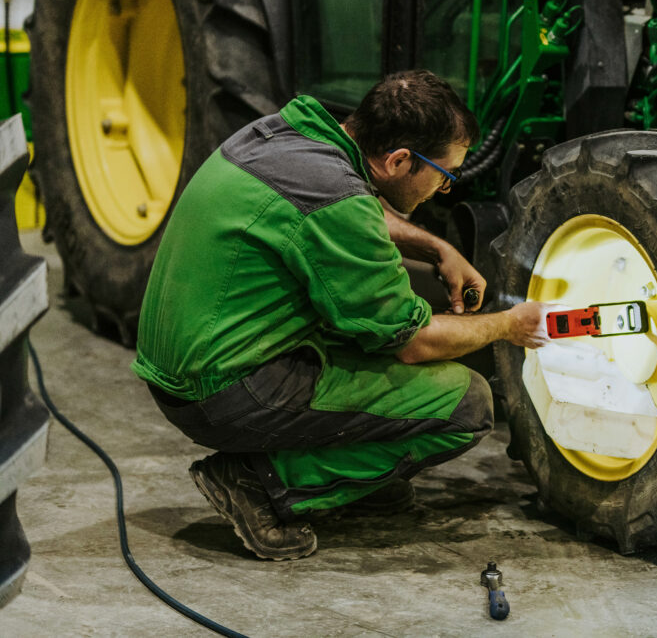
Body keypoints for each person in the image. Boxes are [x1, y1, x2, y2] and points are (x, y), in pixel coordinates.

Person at [132, 70, 549, 560]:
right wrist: (509, 324)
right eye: (445, 176)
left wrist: (435, 245)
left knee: (361, 335)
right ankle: (258, 484)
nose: (444, 190)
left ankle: (362, 476)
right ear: (397, 160)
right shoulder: (338, 201)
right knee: (466, 405)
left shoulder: (296, 132)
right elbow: (413, 341)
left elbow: (346, 202)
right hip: (220, 391)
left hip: (188, 363)